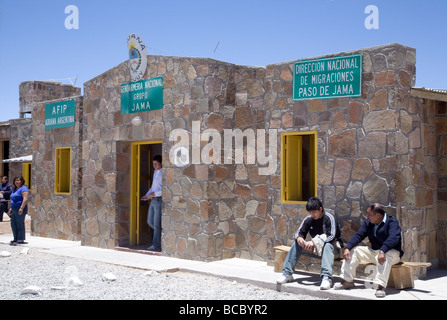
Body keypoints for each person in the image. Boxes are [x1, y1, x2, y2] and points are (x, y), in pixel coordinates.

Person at [334, 203, 404, 298]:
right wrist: (347, 248)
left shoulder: (392, 222)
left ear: (378, 215)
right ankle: (347, 281)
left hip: (392, 253)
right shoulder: (369, 223)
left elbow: (393, 238)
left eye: (369, 214)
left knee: (384, 257)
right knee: (354, 251)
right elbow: (359, 235)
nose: (367, 216)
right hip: (375, 252)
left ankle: (380, 287)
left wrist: (382, 251)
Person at [276, 197, 343, 290]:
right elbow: (299, 233)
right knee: (296, 244)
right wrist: (300, 239)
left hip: (334, 250)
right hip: (316, 249)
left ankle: (327, 278)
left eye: (314, 212)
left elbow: (332, 237)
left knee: (328, 245)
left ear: (320, 209)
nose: (312, 214)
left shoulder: (329, 218)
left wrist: (314, 242)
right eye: (310, 212)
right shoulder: (308, 219)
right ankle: (287, 274)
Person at [141, 155, 162, 252]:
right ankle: (161, 234)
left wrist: (155, 194)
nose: (154, 165)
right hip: (153, 200)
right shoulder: (155, 173)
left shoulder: (163, 173)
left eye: (156, 164)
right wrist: (147, 195)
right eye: (153, 164)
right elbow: (153, 187)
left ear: (161, 163)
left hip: (159, 200)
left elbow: (164, 189)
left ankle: (155, 244)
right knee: (150, 221)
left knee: (157, 224)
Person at [8, 176, 29, 245]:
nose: (17, 182)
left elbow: (25, 199)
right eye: (15, 180)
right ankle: (15, 238)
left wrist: (21, 208)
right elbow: (13, 199)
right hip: (14, 208)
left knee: (20, 223)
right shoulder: (15, 189)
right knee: (13, 224)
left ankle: (20, 239)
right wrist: (11, 208)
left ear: (22, 181)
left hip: (20, 208)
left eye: (18, 180)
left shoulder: (23, 188)